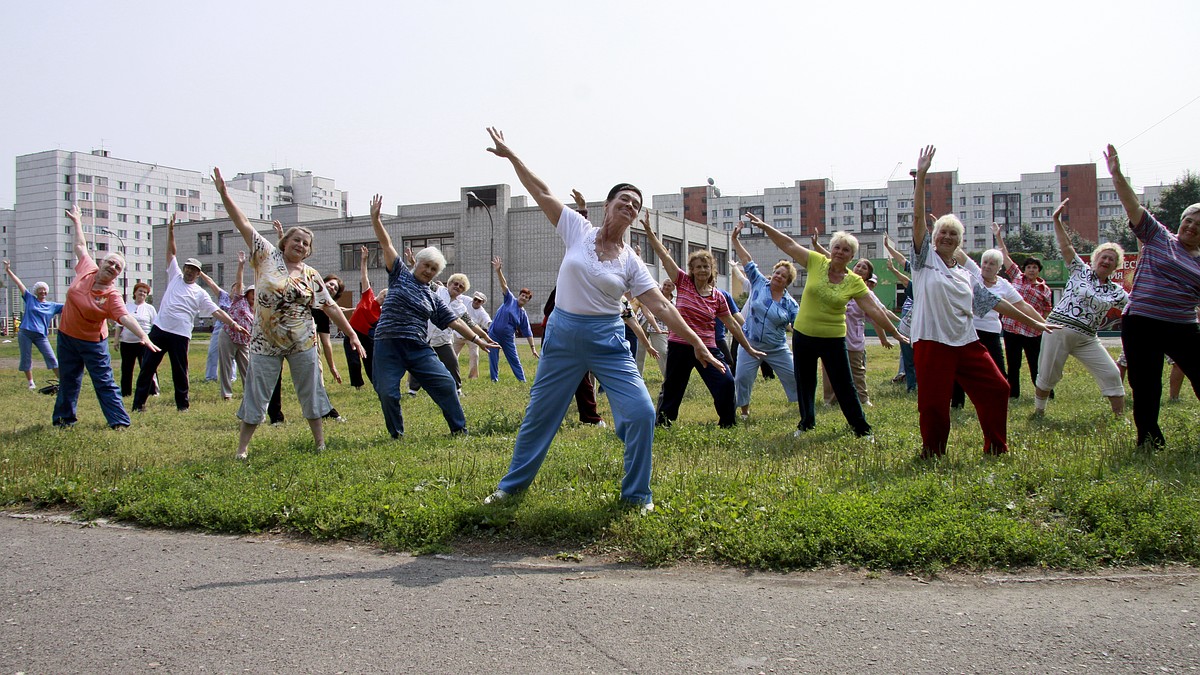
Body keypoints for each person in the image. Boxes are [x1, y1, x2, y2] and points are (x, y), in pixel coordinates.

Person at [481, 127, 722, 511]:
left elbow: (661, 306)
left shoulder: (631, 261)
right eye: (623, 200)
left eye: (636, 204)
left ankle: (637, 495)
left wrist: (695, 341)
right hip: (561, 338)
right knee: (540, 416)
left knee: (642, 412)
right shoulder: (578, 229)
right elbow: (542, 192)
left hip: (608, 341)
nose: (630, 206)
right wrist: (513, 157)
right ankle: (510, 487)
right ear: (607, 205)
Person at [909, 146, 1057, 458]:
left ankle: (996, 447)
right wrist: (921, 176)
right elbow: (918, 220)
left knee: (998, 388)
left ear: (960, 241)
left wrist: (1036, 322)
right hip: (932, 341)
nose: (947, 237)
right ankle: (932, 453)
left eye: (953, 234)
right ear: (934, 237)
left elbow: (995, 303)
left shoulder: (965, 274)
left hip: (966, 342)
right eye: (942, 232)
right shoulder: (924, 261)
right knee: (935, 404)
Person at [213, 168, 365, 459]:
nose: (300, 245)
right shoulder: (265, 256)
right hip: (264, 344)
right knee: (257, 394)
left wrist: (352, 335)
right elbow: (243, 223)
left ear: (308, 251)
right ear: (285, 242)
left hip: (303, 343)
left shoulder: (311, 274)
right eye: (296, 239)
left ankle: (320, 443)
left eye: (305, 243)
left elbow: (330, 306)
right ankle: (242, 449)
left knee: (311, 392)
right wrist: (224, 194)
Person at [749, 213, 904, 437]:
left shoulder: (854, 281)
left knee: (844, 385)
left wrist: (894, 332)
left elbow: (874, 309)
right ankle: (806, 423)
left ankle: (862, 429)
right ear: (831, 250)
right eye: (837, 247)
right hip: (804, 336)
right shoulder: (816, 262)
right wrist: (765, 227)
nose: (840, 252)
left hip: (833, 339)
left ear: (852, 256)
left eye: (846, 249)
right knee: (805, 382)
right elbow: (788, 244)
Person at [369, 194, 498, 439]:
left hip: (417, 347)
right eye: (426, 265)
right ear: (416, 263)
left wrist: (478, 339)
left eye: (434, 269)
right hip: (388, 344)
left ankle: (459, 430)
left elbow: (456, 321)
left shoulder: (433, 296)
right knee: (388, 392)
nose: (429, 271)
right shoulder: (399, 275)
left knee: (446, 383)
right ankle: (396, 435)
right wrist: (376, 219)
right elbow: (386, 245)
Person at [1104, 144, 1200, 448]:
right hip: (1142, 323)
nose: (1191, 227)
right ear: (1181, 221)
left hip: (1183, 326)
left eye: (1199, 226)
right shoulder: (1158, 236)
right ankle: (1149, 439)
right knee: (1145, 384)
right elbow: (1133, 206)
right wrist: (1117, 175)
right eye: (1189, 221)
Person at [642, 214, 764, 428]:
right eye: (697, 267)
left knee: (726, 382)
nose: (701, 270)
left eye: (705, 266)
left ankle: (727, 424)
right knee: (673, 388)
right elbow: (663, 256)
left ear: (711, 270)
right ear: (692, 269)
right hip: (680, 345)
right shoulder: (683, 283)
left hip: (708, 347)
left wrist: (749, 348)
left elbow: (733, 325)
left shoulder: (718, 296)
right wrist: (650, 234)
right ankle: (662, 424)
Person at [54, 205, 159, 428]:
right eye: (110, 262)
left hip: (92, 342)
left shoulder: (111, 295)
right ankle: (64, 420)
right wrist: (77, 221)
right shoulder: (87, 269)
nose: (113, 267)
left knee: (104, 381)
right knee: (68, 379)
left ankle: (119, 422)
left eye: (118, 267)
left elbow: (125, 317)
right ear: (102, 263)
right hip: (66, 336)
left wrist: (144, 336)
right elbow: (81, 246)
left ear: (118, 275)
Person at [132, 214, 247, 412]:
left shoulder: (200, 293)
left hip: (181, 335)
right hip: (159, 330)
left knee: (180, 371)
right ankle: (138, 404)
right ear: (184, 268)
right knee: (147, 368)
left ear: (198, 273)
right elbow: (171, 253)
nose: (190, 272)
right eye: (188, 268)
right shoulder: (175, 276)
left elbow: (217, 311)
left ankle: (182, 406)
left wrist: (234, 324)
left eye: (194, 270)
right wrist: (170, 231)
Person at [1033, 198, 1129, 417]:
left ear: (1116, 266)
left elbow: (1135, 305)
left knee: (1112, 373)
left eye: (1111, 260)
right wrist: (1056, 220)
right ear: (1095, 258)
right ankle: (1039, 411)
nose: (1106, 261)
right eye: (1103, 256)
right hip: (1058, 330)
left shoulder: (1116, 291)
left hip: (1087, 337)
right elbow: (1066, 246)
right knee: (1048, 375)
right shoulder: (1080, 270)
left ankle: (1119, 418)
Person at [950, 247, 1038, 409]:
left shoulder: (1004, 285)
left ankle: (996, 402)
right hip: (969, 330)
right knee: (960, 368)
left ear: (999, 268)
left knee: (998, 371)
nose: (987, 266)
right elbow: (960, 253)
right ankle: (957, 404)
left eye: (992, 264)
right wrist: (941, 227)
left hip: (991, 334)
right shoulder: (975, 273)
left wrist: (1042, 323)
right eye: (985, 262)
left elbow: (1023, 306)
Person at [729, 222, 799, 421]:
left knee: (795, 375)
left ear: (787, 282)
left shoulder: (790, 304)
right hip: (749, 343)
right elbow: (747, 259)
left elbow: (799, 327)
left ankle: (801, 406)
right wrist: (735, 240)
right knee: (742, 377)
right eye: (777, 272)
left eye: (783, 276)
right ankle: (744, 411)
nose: (778, 277)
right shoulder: (759, 283)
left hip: (776, 347)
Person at [992, 222, 1053, 399]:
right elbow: (1004, 255)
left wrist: (1043, 327)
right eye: (1028, 267)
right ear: (1024, 269)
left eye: (1035, 267)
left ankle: (1045, 393)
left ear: (1039, 270)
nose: (1031, 270)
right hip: (1012, 328)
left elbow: (1046, 311)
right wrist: (998, 236)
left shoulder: (1044, 290)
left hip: (1032, 331)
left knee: (1036, 364)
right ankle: (1013, 394)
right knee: (1013, 364)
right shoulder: (1017, 277)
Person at [409, 271, 490, 397]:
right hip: (425, 335)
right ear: (450, 284)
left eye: (461, 286)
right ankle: (412, 391)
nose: (457, 287)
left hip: (443, 340)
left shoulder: (460, 306)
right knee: (420, 362)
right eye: (455, 284)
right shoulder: (437, 290)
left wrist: (486, 337)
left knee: (452, 363)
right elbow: (423, 279)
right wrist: (415, 264)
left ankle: (457, 390)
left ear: (463, 291)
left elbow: (471, 324)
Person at [4, 259, 63, 390]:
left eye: (44, 290)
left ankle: (63, 382)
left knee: (52, 358)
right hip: (25, 332)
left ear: (47, 292)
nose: (42, 292)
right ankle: (31, 382)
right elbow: (19, 284)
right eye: (40, 290)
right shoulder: (30, 299)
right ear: (36, 292)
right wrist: (8, 270)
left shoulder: (52, 306)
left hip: (41, 335)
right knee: (26, 358)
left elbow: (71, 307)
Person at [487, 256, 539, 383]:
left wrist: (533, 348)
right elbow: (504, 285)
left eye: (526, 297)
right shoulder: (510, 299)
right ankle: (494, 379)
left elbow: (528, 332)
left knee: (514, 359)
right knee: (493, 357)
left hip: (508, 338)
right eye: (523, 295)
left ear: (528, 301)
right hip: (494, 334)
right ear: (519, 295)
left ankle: (522, 380)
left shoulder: (522, 314)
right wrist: (499, 271)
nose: (524, 298)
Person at [346, 245, 383, 388]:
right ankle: (358, 385)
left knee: (369, 360)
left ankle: (377, 383)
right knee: (353, 360)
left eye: (388, 297)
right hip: (352, 332)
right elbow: (364, 276)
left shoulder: (381, 312)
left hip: (367, 337)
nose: (385, 297)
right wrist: (364, 260)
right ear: (380, 293)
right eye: (384, 294)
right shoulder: (368, 296)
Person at [217, 252, 253, 401]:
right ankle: (227, 394)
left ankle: (249, 393)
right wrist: (241, 265)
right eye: (252, 292)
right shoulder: (239, 300)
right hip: (228, 335)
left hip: (244, 341)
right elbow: (239, 282)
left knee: (247, 367)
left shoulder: (257, 309)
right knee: (226, 365)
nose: (254, 295)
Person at [884, 235, 917, 393]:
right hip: (907, 328)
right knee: (908, 359)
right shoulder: (916, 275)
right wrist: (889, 249)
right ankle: (911, 386)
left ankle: (920, 385)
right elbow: (903, 262)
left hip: (923, 330)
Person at [115, 282, 158, 398]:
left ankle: (152, 391)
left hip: (144, 343)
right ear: (135, 292)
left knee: (147, 367)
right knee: (127, 368)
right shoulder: (126, 306)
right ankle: (126, 393)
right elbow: (119, 325)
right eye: (140, 291)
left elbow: (154, 326)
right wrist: (116, 340)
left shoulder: (150, 308)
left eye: (145, 292)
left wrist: (151, 340)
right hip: (127, 342)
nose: (142, 294)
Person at [453, 291, 490, 380]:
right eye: (475, 299)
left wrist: (494, 328)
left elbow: (488, 322)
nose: (476, 301)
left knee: (475, 355)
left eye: (479, 301)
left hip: (472, 337)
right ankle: (451, 374)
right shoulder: (466, 300)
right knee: (452, 355)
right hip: (458, 334)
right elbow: (455, 295)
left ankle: (473, 376)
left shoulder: (482, 312)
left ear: (482, 303)